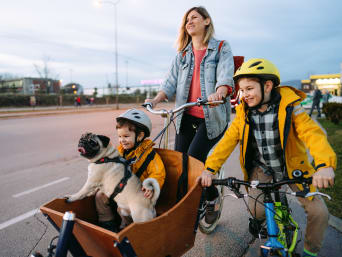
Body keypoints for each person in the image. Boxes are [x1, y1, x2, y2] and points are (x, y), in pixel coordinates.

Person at [198, 58, 336, 257]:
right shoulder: (243, 113)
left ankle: (309, 252)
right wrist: (209, 169)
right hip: (261, 169)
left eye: (249, 89)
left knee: (319, 214)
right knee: (257, 211)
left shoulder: (291, 106)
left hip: (292, 167)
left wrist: (324, 165)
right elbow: (227, 142)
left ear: (268, 86)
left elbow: (312, 134)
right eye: (242, 90)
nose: (244, 95)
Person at [145, 6, 235, 224]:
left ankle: (211, 199)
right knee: (179, 164)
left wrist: (221, 91)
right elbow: (170, 82)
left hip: (212, 117)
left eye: (194, 17)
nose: (189, 21)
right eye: (187, 19)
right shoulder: (182, 54)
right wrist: (155, 100)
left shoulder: (221, 47)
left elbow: (225, 74)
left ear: (206, 21)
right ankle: (191, 201)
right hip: (186, 116)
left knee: (195, 161)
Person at [95, 109, 166, 232]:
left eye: (126, 136)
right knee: (100, 196)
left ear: (140, 136)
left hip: (141, 194)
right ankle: (109, 226)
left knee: (127, 209)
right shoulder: (120, 151)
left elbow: (158, 173)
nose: (122, 140)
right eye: (120, 136)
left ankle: (132, 230)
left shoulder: (149, 155)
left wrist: (151, 186)